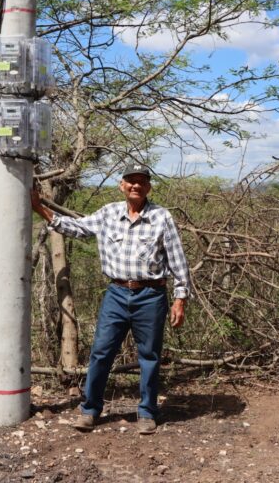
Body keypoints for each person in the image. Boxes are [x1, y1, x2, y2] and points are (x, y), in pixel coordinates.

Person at [31, 163, 190, 435]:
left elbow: (178, 260)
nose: (136, 185)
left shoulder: (162, 217)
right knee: (101, 352)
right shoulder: (108, 213)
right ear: (122, 185)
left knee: (149, 357)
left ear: (149, 187)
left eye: (142, 181)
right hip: (116, 294)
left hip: (151, 295)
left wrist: (180, 298)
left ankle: (147, 413)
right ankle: (90, 410)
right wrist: (39, 208)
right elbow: (75, 228)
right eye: (131, 180)